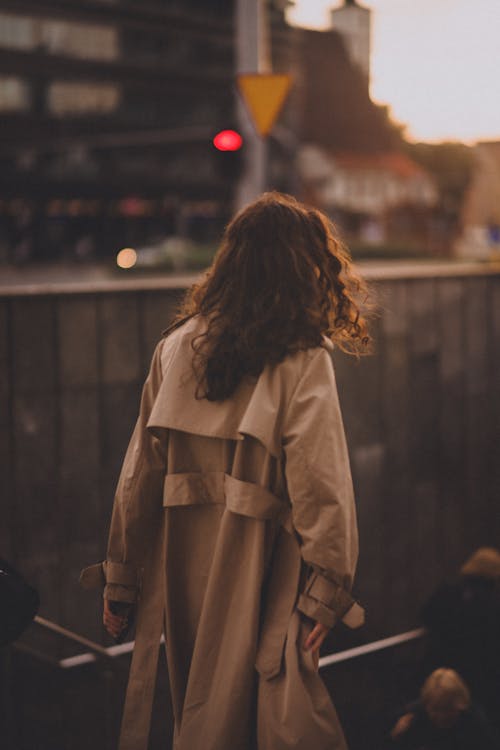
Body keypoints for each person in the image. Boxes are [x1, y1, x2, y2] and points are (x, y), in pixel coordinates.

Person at [80, 191, 369, 750]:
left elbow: (138, 475)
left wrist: (122, 577)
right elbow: (322, 484)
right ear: (301, 266)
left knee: (197, 706)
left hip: (182, 564)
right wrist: (325, 592)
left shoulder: (175, 346)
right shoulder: (303, 357)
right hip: (265, 567)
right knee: (261, 717)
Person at [421, 547, 500, 725]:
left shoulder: (447, 594)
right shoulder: (491, 604)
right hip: (481, 677)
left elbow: (426, 616)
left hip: (442, 670)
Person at [389, 668, 497, 750]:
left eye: (447, 708)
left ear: (460, 704)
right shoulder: (412, 716)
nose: (442, 716)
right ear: (426, 704)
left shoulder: (473, 719)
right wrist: (396, 737)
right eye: (435, 709)